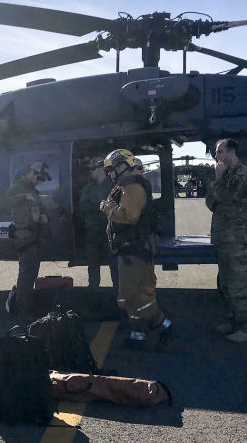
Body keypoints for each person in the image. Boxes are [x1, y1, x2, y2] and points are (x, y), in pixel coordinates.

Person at [100, 149, 172, 350]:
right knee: (128, 295)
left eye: (112, 169)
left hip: (136, 249)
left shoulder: (132, 188)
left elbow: (128, 216)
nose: (110, 173)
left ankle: (163, 326)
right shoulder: (123, 187)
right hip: (128, 248)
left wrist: (107, 208)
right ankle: (137, 333)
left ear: (123, 165)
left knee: (138, 294)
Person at [206, 139, 247, 342]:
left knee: (240, 285)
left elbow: (227, 202)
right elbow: (211, 202)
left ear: (231, 151)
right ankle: (235, 322)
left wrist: (218, 181)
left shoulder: (243, 175)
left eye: (219, 151)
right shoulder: (226, 175)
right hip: (224, 239)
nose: (217, 156)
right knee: (227, 284)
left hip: (238, 239)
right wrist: (218, 184)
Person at [0, 161, 51, 319]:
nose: (40, 181)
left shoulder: (31, 189)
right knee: (26, 276)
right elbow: (3, 204)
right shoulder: (20, 187)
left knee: (30, 274)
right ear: (33, 173)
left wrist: (42, 217)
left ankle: (26, 308)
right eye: (40, 178)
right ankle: (23, 312)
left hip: (32, 237)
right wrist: (23, 196)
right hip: (25, 239)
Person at [79, 157, 118, 292]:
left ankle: (118, 293)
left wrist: (100, 207)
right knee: (93, 265)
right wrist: (101, 207)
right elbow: (83, 207)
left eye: (92, 169)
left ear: (102, 169)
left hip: (110, 232)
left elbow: (118, 206)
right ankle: (93, 294)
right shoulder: (88, 189)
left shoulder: (114, 187)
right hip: (93, 231)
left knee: (114, 264)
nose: (90, 172)